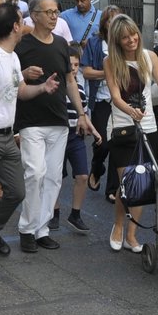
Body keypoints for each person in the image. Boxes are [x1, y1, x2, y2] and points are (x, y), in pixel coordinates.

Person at [0, 3, 59, 279]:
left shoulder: (12, 57)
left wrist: (42, 88)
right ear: (15, 27)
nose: (25, 23)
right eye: (21, 20)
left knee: (17, 191)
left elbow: (18, 92)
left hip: (6, 137)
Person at [14, 0, 94, 252]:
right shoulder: (22, 46)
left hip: (59, 121)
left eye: (56, 12)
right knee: (35, 173)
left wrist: (81, 114)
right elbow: (12, 83)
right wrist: (24, 74)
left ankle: (42, 229)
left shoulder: (61, 43)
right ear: (34, 16)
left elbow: (71, 81)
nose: (54, 16)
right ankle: (27, 228)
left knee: (52, 179)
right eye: (49, 12)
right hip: (30, 121)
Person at [105, 14, 158, 252]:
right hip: (122, 128)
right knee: (127, 184)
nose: (131, 40)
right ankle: (118, 226)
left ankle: (132, 234)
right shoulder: (110, 61)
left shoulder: (149, 57)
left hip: (148, 127)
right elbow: (115, 96)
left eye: (133, 35)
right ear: (117, 41)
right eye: (125, 38)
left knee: (141, 183)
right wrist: (131, 111)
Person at [51, 44, 100, 234]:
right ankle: (54, 213)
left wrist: (94, 131)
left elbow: (84, 114)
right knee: (56, 177)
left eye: (76, 64)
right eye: (70, 64)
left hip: (76, 136)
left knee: (82, 175)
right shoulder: (55, 84)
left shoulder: (79, 88)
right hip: (58, 134)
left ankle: (75, 214)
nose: (73, 68)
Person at [83, 4, 118, 193]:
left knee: (118, 145)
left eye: (117, 20)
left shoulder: (126, 43)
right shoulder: (95, 43)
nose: (113, 24)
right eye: (110, 20)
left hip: (120, 100)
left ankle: (113, 189)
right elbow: (86, 72)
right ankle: (97, 169)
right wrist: (108, 74)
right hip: (101, 99)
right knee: (102, 143)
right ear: (104, 23)